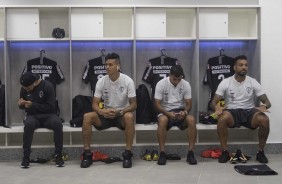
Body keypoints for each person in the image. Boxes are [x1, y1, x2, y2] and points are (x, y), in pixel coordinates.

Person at [210, 55, 271, 163]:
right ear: (234, 67)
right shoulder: (226, 82)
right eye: (241, 65)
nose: (244, 67)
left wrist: (264, 106)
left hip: (249, 112)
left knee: (265, 119)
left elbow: (267, 102)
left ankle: (260, 152)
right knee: (222, 119)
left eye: (246, 65)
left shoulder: (253, 82)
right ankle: (225, 151)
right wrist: (216, 107)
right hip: (232, 112)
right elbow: (213, 102)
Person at [80, 53, 137, 168]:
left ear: (118, 66)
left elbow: (134, 105)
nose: (107, 67)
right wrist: (102, 112)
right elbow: (94, 104)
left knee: (130, 117)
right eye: (106, 65)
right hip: (105, 115)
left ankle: (127, 154)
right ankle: (87, 154)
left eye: (110, 65)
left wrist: (120, 112)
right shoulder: (101, 81)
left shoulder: (127, 81)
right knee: (87, 116)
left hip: (121, 115)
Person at [18, 72, 64, 168]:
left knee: (57, 123)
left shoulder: (48, 86)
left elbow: (51, 107)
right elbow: (23, 107)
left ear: (34, 82)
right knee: (28, 124)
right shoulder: (24, 87)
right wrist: (21, 105)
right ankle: (26, 157)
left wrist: (33, 105)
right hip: (33, 116)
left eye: (28, 88)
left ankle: (58, 156)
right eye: (25, 88)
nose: (26, 90)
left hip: (48, 115)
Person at [154, 65, 197, 165]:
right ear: (170, 75)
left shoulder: (185, 84)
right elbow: (157, 104)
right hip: (165, 111)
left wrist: (185, 112)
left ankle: (191, 153)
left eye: (179, 79)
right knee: (163, 120)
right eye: (174, 79)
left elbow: (189, 104)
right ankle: (162, 153)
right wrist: (167, 113)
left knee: (191, 119)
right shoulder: (161, 84)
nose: (177, 81)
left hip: (180, 111)